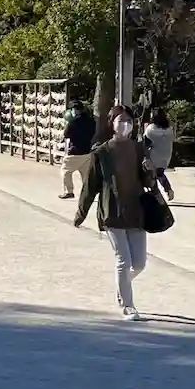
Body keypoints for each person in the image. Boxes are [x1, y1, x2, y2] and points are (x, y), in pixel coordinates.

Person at [74, 104, 156, 320]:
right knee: (124, 261)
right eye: (121, 121)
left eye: (129, 121)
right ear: (112, 123)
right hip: (112, 212)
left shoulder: (138, 149)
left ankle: (122, 286)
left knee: (139, 263)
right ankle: (128, 306)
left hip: (136, 211)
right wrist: (81, 213)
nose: (125, 125)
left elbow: (148, 182)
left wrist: (150, 171)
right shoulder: (102, 152)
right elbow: (90, 186)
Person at [59, 99, 97, 200]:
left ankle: (69, 191)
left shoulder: (73, 122)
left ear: (73, 110)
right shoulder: (91, 121)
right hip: (87, 151)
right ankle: (87, 193)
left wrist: (68, 123)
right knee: (85, 175)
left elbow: (66, 134)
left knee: (65, 171)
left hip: (74, 152)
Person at [143, 108, 176, 201]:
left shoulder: (151, 129)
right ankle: (168, 190)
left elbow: (146, 143)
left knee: (152, 175)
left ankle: (156, 194)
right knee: (160, 174)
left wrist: (145, 156)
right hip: (166, 156)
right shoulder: (169, 129)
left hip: (154, 156)